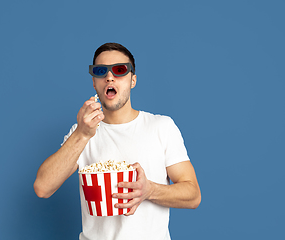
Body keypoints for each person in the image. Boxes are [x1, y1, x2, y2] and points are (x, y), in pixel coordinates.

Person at [33, 42, 201, 240]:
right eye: (101, 71)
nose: (109, 77)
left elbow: (193, 195)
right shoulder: (81, 133)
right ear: (94, 83)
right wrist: (82, 134)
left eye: (120, 70)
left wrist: (149, 190)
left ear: (133, 80)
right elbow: (42, 188)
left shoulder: (161, 127)